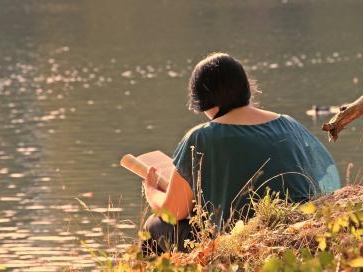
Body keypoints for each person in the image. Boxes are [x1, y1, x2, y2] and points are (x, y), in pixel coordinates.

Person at [141, 53, 340, 255]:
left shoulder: (201, 137)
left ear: (203, 99)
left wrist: (151, 191)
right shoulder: (288, 123)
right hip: (298, 233)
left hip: (238, 243)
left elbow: (173, 212)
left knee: (153, 225)